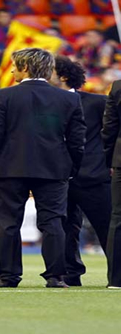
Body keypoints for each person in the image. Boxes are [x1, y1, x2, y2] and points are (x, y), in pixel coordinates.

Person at [0, 48, 86, 288]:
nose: (11, 69)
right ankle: (55, 276)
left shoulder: (2, 96)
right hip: (54, 170)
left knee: (9, 223)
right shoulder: (69, 98)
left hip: (10, 169)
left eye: (14, 65)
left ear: (25, 67)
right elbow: (77, 141)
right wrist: (73, 168)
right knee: (53, 222)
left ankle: (8, 277)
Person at [51, 56, 111, 287]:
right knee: (64, 230)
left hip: (94, 176)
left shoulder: (98, 102)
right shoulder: (44, 103)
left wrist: (109, 164)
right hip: (57, 178)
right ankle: (69, 275)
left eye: (51, 71)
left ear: (64, 76)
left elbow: (114, 133)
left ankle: (117, 275)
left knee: (108, 227)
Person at [102, 79, 121, 288]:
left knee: (118, 218)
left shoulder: (118, 87)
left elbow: (109, 129)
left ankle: (116, 279)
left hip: (120, 160)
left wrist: (109, 161)